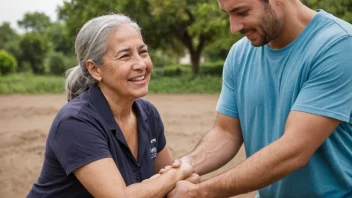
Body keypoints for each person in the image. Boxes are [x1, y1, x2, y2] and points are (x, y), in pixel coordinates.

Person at [162, 0, 352, 197]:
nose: (234, 28)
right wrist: (183, 167)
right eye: (227, 14)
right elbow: (226, 133)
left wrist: (201, 192)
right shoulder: (240, 54)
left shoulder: (339, 45)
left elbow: (295, 150)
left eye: (242, 12)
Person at [27, 14, 198, 198]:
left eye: (143, 52)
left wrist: (176, 180)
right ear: (95, 69)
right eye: (125, 56)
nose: (141, 64)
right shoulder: (75, 122)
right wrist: (177, 174)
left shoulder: (148, 113)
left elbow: (167, 182)